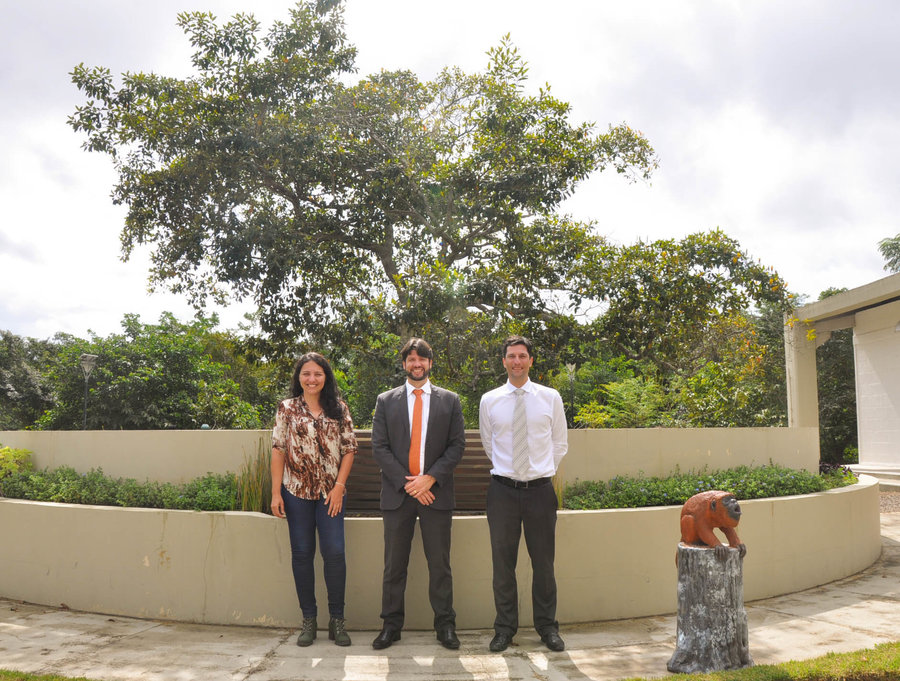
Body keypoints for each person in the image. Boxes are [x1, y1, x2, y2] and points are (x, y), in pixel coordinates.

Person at [370, 337, 466, 650]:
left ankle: (446, 626)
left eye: (422, 359)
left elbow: (456, 446)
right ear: (404, 364)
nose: (417, 364)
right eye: (411, 359)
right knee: (393, 566)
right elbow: (380, 448)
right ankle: (391, 626)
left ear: (430, 363)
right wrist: (410, 483)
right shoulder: (386, 400)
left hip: (435, 495)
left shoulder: (449, 400)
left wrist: (430, 480)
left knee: (440, 565)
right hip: (398, 495)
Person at [479, 335, 568, 653]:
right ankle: (504, 628)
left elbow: (559, 444)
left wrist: (538, 471)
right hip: (502, 493)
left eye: (522, 356)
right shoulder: (489, 400)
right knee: (503, 565)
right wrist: (512, 472)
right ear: (503, 361)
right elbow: (489, 445)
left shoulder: (550, 397)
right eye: (511, 356)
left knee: (544, 564)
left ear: (531, 361)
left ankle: (547, 627)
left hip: (540, 493)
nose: (517, 361)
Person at [271, 352, 357, 647]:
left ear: (326, 377)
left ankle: (338, 620)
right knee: (302, 555)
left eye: (317, 374)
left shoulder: (339, 408)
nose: (311, 379)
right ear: (298, 377)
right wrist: (274, 493)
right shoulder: (286, 409)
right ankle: (309, 620)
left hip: (330, 495)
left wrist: (339, 487)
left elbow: (349, 449)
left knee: (334, 553)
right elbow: (278, 450)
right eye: (306, 374)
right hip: (295, 493)